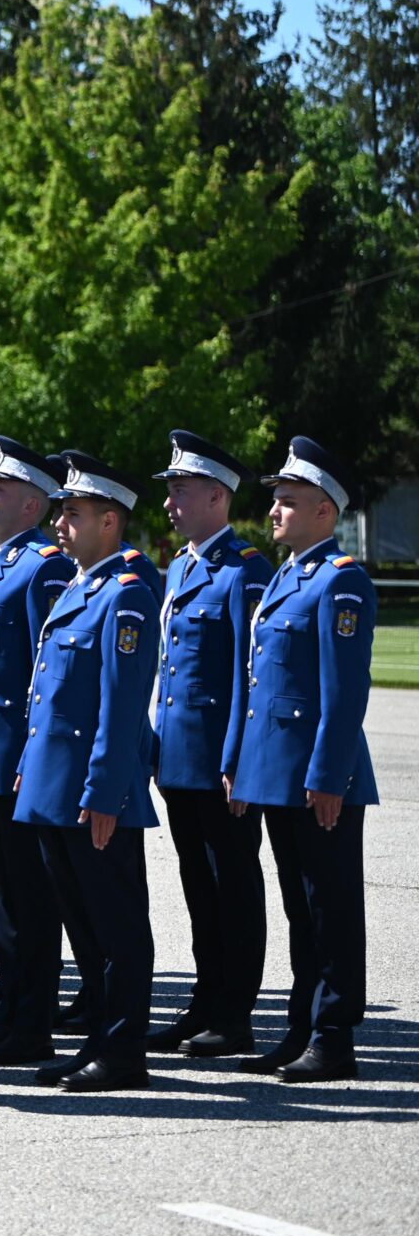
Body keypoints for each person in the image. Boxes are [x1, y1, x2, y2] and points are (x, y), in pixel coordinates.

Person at [225, 436, 377, 1083]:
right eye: (276, 499)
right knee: (299, 909)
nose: (274, 510)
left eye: (288, 501)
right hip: (280, 774)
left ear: (324, 511)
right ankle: (300, 1027)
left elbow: (344, 694)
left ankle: (334, 1035)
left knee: (329, 908)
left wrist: (327, 775)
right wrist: (245, 764)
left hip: (320, 777)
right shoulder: (286, 577)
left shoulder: (341, 582)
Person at [14, 452, 160, 1092]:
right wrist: (29, 765)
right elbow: (47, 693)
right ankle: (98, 1039)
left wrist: (103, 790)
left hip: (94, 793)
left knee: (116, 926)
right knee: (84, 926)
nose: (60, 524)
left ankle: (124, 1050)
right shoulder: (80, 587)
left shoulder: (125, 597)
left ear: (110, 520)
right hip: (55, 787)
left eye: (73, 513)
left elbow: (122, 707)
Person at [0, 438, 79, 1065]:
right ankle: (12, 1010)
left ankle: (33, 1020)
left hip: (16, 757)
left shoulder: (43, 566)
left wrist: (32, 755)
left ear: (32, 504)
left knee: (30, 896)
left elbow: (43, 674)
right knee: (4, 893)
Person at [148, 429, 273, 1058]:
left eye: (181, 490)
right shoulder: (182, 566)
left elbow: (250, 677)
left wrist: (238, 758)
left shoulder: (244, 571)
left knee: (232, 885)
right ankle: (205, 1002)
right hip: (180, 757)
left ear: (218, 496)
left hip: (220, 762)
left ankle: (235, 1013)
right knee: (199, 885)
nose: (169, 503)